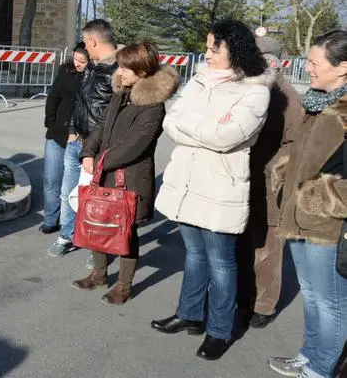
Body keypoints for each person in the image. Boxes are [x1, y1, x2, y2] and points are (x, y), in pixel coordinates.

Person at [152, 19, 273, 362]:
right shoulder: (201, 78)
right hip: (188, 183)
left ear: (234, 50)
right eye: (207, 47)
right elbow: (171, 120)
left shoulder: (255, 90)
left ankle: (219, 330)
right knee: (194, 254)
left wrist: (194, 126)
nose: (207, 53)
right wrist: (206, 127)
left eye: (213, 48)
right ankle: (190, 314)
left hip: (220, 187)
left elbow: (229, 136)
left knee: (222, 262)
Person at [73, 42, 179, 305]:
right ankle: (99, 274)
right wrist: (88, 151)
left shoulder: (153, 105)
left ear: (142, 70)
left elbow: (135, 144)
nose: (119, 71)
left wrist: (99, 161)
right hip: (105, 169)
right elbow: (100, 125)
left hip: (131, 177)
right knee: (98, 222)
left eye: (125, 67)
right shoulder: (122, 92)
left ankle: (124, 285)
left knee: (125, 231)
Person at [268, 29, 346, 378]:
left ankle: (320, 369)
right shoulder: (318, 101)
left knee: (331, 304)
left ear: (342, 66)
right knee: (313, 299)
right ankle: (310, 355)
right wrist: (284, 169)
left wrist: (319, 198)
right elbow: (301, 151)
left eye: (315, 63)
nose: (308, 68)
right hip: (298, 216)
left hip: (328, 226)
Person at [236, 34, 303, 329]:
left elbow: (295, 143)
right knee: (242, 240)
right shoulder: (247, 90)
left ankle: (264, 303)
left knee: (268, 246)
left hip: (269, 184)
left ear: (272, 63)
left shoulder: (287, 98)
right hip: (241, 179)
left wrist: (274, 168)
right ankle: (242, 294)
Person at [48, 19, 118, 259]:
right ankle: (66, 236)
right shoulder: (92, 67)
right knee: (68, 193)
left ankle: (95, 248)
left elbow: (112, 114)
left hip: (98, 147)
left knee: (96, 200)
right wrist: (70, 130)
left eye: (86, 44)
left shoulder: (119, 71)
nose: (84, 49)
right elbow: (80, 101)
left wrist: (97, 145)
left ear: (93, 41)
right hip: (76, 142)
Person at [40, 42, 89, 234]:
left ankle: (70, 222)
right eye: (75, 58)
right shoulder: (65, 70)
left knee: (70, 185)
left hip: (77, 136)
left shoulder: (93, 77)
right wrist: (50, 122)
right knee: (51, 178)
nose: (77, 63)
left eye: (82, 61)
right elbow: (53, 97)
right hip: (56, 132)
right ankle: (51, 219)